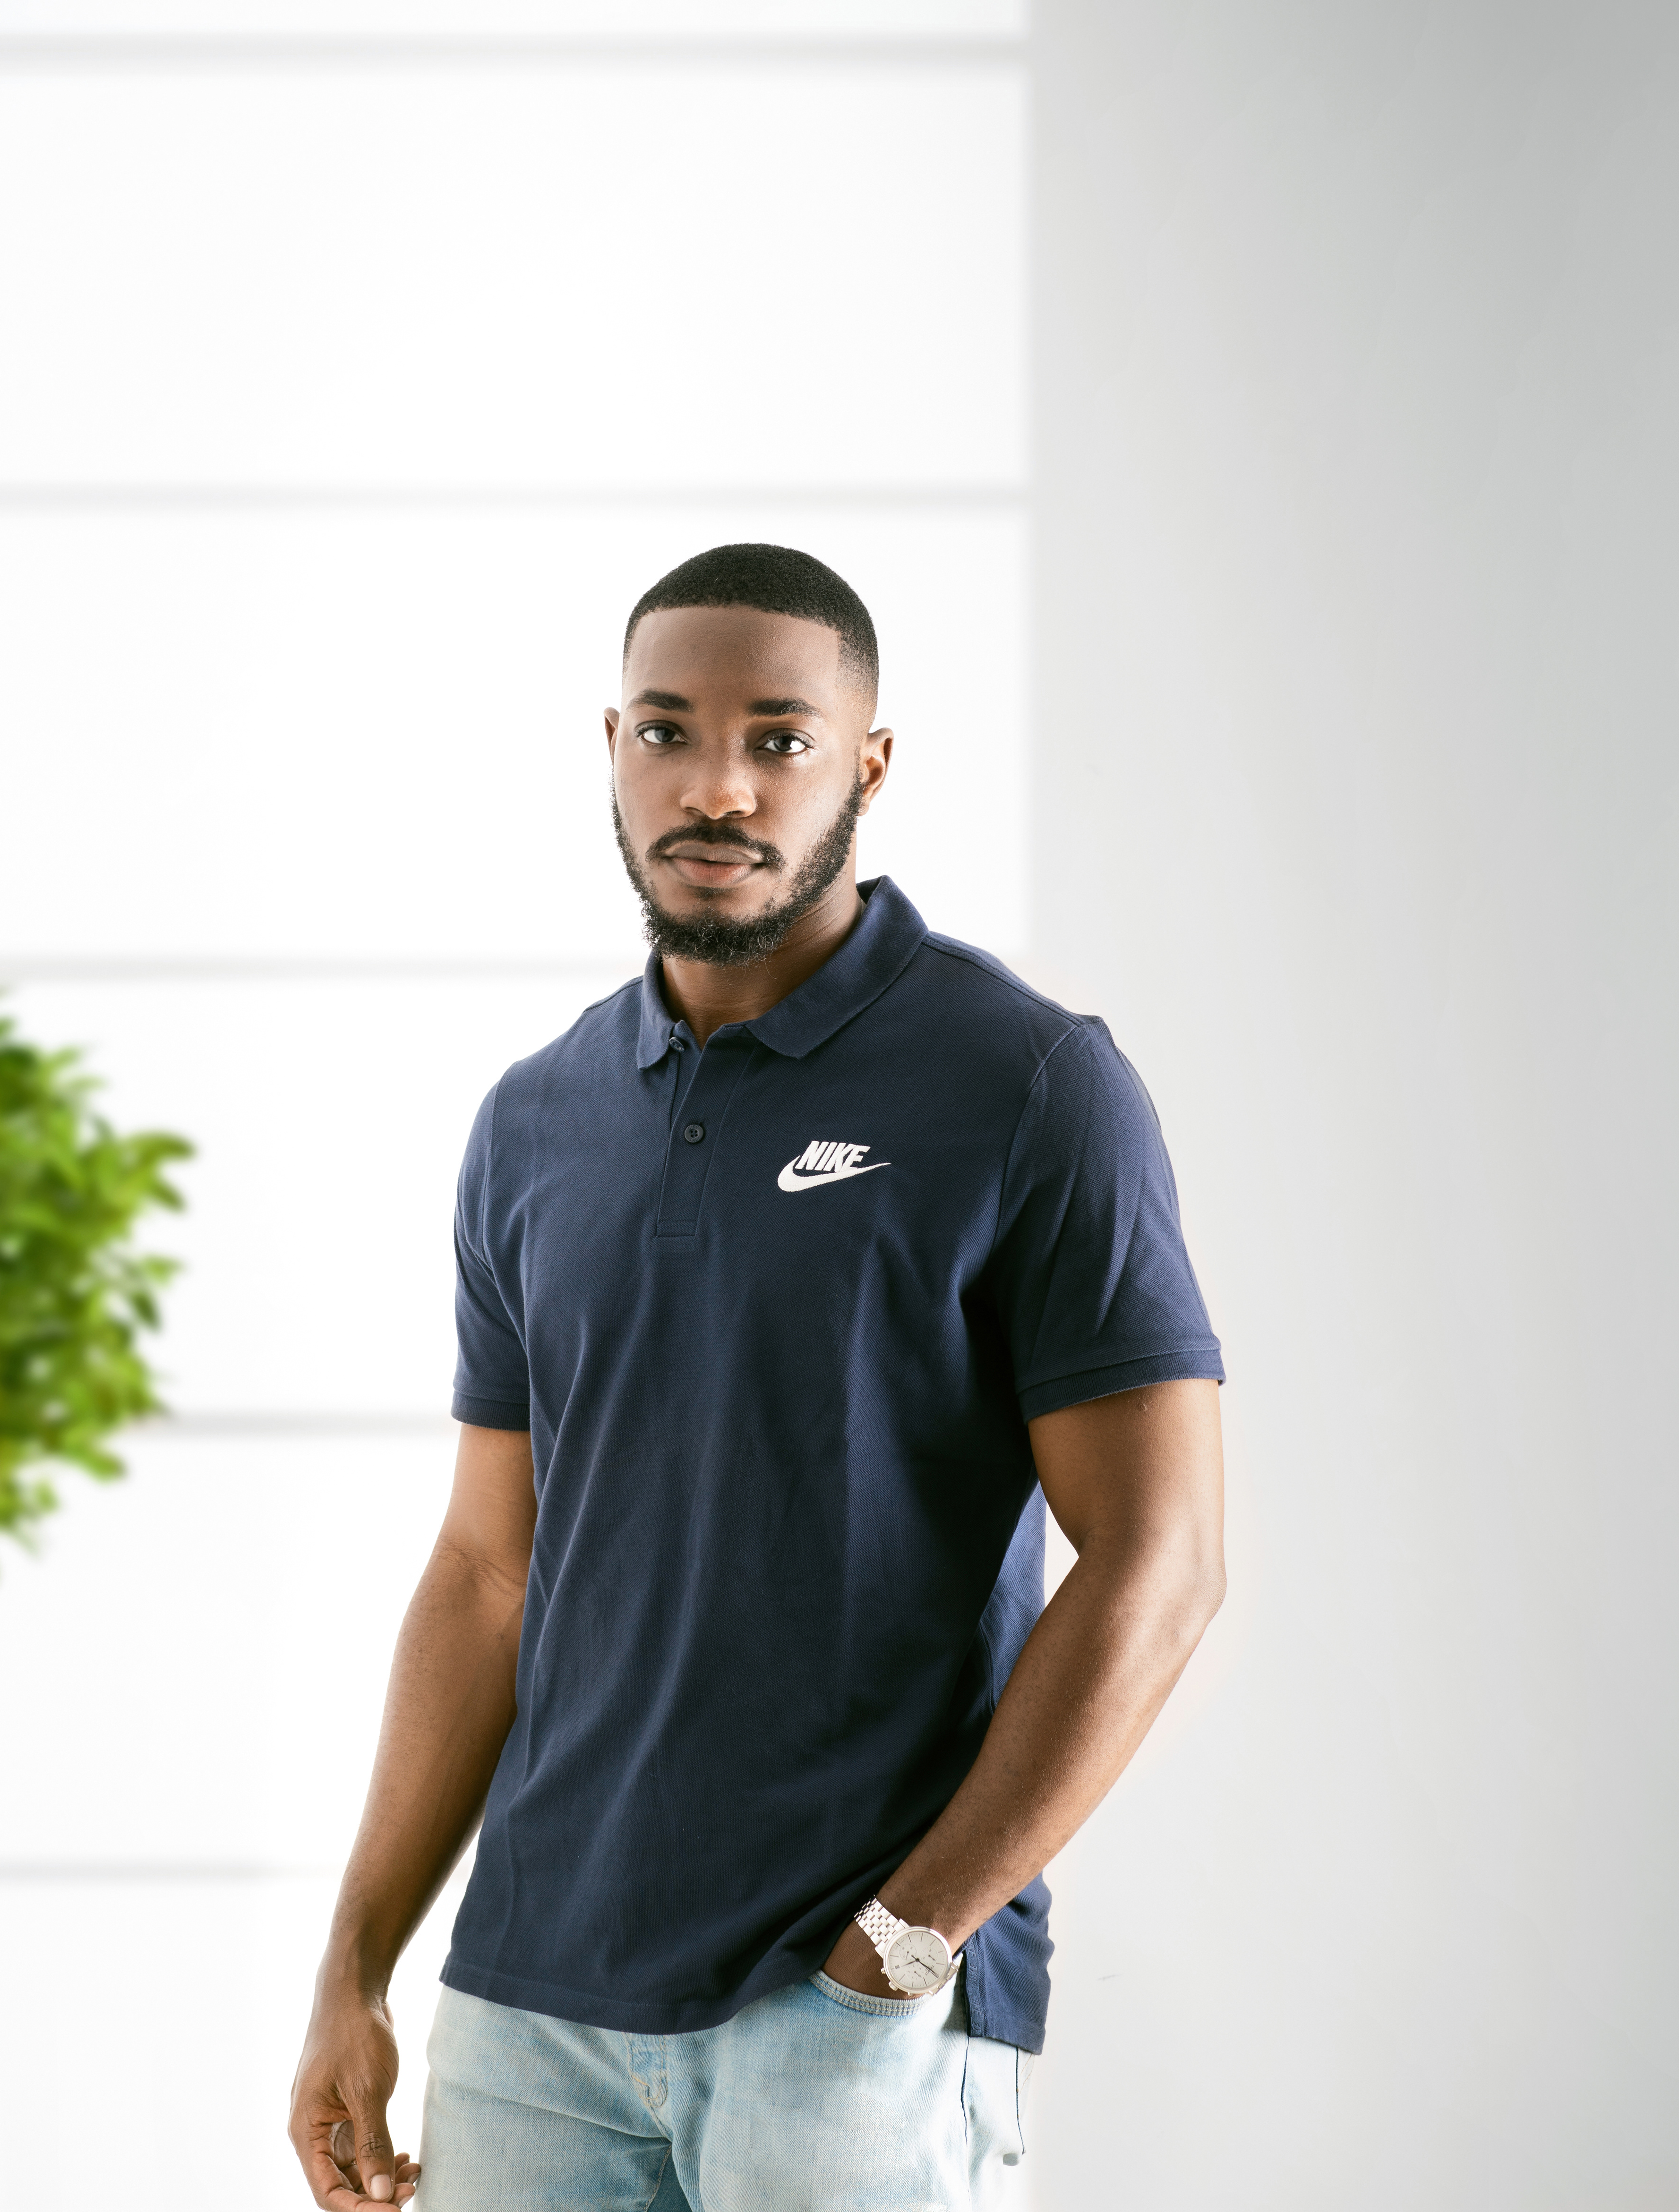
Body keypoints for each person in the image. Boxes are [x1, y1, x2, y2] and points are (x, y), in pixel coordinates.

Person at [289, 544, 1227, 2211]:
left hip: (847, 2014)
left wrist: (908, 1938)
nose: (717, 786)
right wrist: (355, 1964)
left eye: (780, 740)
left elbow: (1163, 1558)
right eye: (668, 730)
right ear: (613, 746)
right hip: (528, 2012)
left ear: (870, 762)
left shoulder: (1026, 1083)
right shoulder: (535, 1119)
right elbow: (488, 1569)